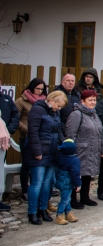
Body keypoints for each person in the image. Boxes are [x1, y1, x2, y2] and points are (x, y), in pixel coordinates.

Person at [25, 90, 67, 225]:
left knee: (47, 183)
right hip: (39, 152)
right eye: (58, 106)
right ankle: (32, 212)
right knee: (37, 183)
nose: (59, 109)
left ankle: (43, 209)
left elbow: (59, 130)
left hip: (53, 151)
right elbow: (33, 132)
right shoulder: (37, 110)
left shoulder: (55, 112)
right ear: (51, 100)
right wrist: (37, 151)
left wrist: (64, 144)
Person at [66, 89, 103, 207]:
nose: (93, 102)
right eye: (90, 100)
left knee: (87, 174)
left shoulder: (94, 115)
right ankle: (73, 199)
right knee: (76, 173)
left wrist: (102, 149)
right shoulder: (77, 114)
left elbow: (100, 133)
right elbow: (70, 133)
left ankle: (85, 197)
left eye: (94, 100)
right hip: (80, 149)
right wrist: (70, 149)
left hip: (92, 149)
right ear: (83, 101)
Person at [15, 78, 46, 201]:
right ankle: (25, 190)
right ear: (32, 87)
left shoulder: (44, 101)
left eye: (42, 89)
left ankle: (36, 188)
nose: (39, 91)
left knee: (38, 164)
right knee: (27, 164)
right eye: (37, 88)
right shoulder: (21, 101)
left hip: (41, 136)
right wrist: (27, 130)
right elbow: (15, 119)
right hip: (26, 136)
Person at [54, 139, 81, 225]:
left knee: (67, 198)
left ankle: (68, 213)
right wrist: (78, 184)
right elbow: (75, 174)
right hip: (67, 183)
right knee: (65, 199)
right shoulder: (74, 160)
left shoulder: (60, 156)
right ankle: (59, 215)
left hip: (59, 181)